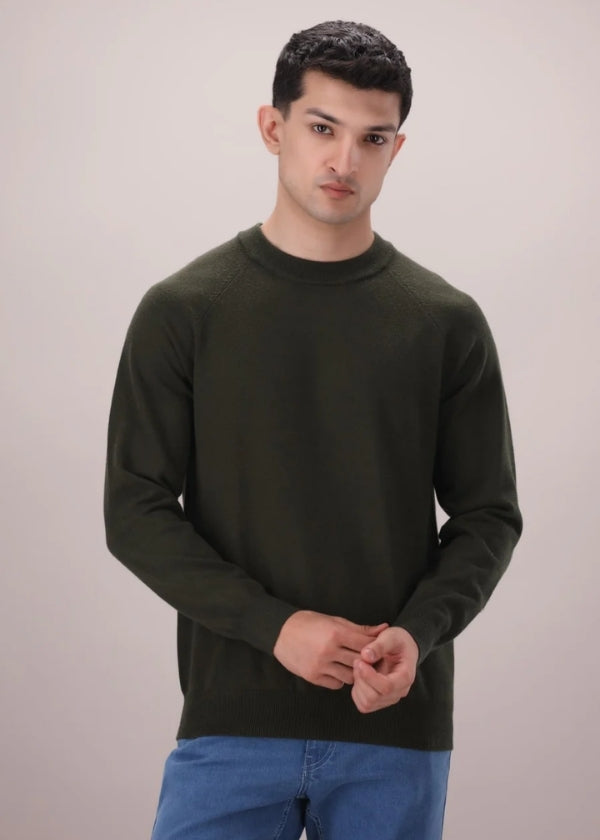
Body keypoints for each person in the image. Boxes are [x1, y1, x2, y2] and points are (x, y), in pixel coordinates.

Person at [103, 19, 523, 840]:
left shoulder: (444, 322)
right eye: (323, 129)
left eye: (373, 139)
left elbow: (488, 516)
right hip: (230, 725)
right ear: (274, 127)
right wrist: (278, 628)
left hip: (393, 730)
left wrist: (418, 635)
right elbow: (134, 511)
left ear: (396, 150)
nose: (345, 161)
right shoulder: (184, 312)